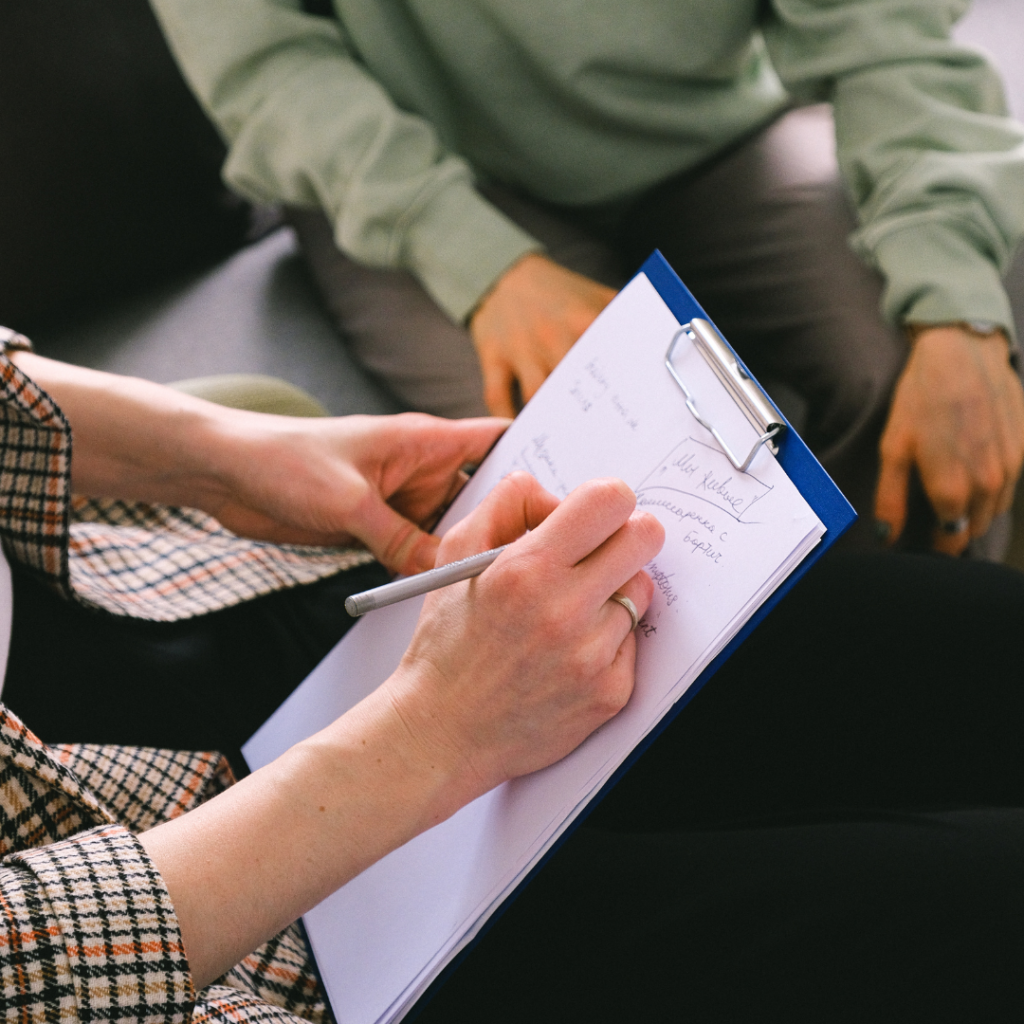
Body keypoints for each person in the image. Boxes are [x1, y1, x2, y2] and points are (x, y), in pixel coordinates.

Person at [1, 334, 1023, 1020]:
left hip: (168, 589)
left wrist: (218, 455)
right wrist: (426, 738)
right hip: (196, 941)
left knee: (973, 652)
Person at [150, 0, 1024, 556]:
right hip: (413, 175)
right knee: (600, 481)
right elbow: (268, 70)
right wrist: (480, 264)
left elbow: (887, 29)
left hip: (708, 133)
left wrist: (955, 308)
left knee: (912, 355)